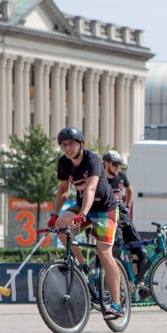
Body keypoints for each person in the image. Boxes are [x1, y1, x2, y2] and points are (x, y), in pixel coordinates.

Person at [49, 127, 122, 320]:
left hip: (105, 208)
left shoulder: (93, 160)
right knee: (61, 228)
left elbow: (90, 188)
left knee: (104, 252)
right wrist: (54, 215)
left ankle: (116, 304)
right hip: (84, 207)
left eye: (71, 143)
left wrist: (82, 214)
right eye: (64, 145)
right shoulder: (64, 163)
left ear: (80, 143)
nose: (67, 148)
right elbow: (63, 190)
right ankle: (82, 266)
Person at [103, 150, 151, 299]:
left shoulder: (122, 177)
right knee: (114, 249)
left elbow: (130, 190)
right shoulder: (100, 179)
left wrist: (127, 207)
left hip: (123, 216)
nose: (118, 167)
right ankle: (108, 284)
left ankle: (140, 284)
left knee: (141, 251)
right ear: (106, 164)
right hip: (109, 216)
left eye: (119, 164)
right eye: (115, 164)